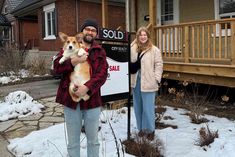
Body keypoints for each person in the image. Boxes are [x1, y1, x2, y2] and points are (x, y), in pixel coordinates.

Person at [53, 18, 108, 157]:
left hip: (92, 101)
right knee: (73, 142)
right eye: (87, 29)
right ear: (82, 32)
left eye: (93, 30)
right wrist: (74, 61)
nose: (90, 32)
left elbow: (102, 74)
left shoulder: (99, 51)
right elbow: (56, 67)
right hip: (71, 102)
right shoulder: (69, 45)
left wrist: (87, 87)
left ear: (96, 34)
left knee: (93, 141)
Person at [130, 26, 163, 140]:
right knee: (138, 107)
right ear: (138, 37)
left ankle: (150, 130)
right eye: (140, 35)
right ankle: (141, 129)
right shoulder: (133, 48)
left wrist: (157, 79)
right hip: (136, 81)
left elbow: (159, 65)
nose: (143, 37)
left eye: (145, 35)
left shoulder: (154, 50)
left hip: (149, 82)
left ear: (148, 36)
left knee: (148, 108)